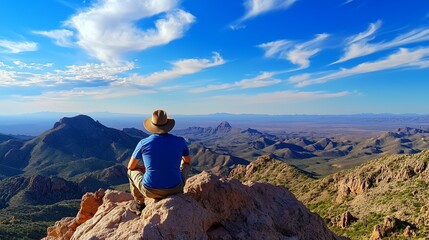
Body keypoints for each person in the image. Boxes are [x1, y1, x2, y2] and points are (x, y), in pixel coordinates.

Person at [127, 109, 191, 215]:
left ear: (152, 125)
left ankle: (139, 204)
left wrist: (141, 168)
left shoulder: (143, 143)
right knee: (186, 164)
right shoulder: (180, 141)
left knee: (130, 172)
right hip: (175, 188)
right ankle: (177, 190)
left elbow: (130, 166)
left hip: (150, 190)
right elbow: (187, 161)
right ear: (168, 125)